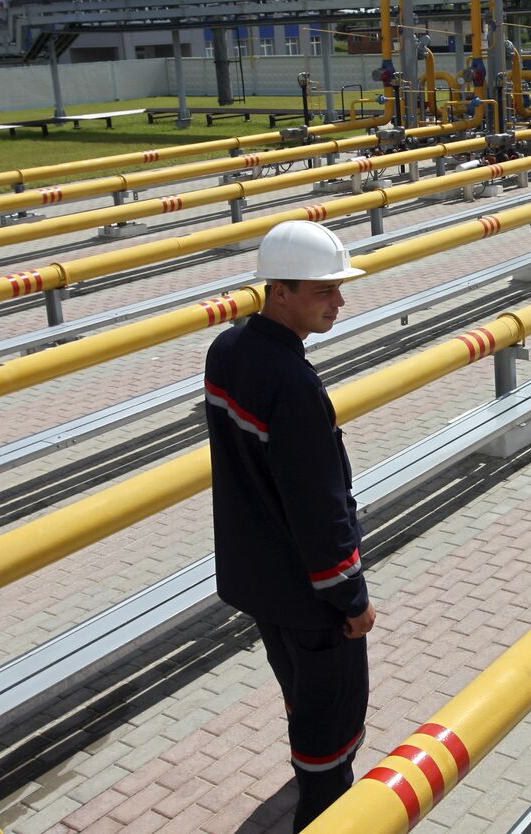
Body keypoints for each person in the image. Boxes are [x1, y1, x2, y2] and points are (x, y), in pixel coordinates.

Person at [205, 220, 375, 831]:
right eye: (323, 291)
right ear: (280, 291)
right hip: (309, 591)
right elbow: (317, 505)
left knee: (299, 688)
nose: (339, 302)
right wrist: (349, 596)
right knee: (331, 713)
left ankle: (313, 782)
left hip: (257, 576)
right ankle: (324, 810)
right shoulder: (294, 384)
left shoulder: (227, 350)